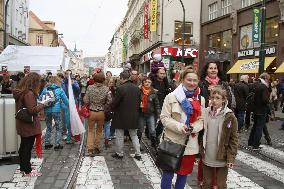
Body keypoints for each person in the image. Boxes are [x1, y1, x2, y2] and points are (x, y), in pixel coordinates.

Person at [160, 70, 205, 189]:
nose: (192, 83)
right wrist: (180, 127)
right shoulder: (171, 96)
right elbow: (164, 118)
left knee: (183, 174)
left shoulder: (201, 99)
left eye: (195, 80)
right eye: (189, 80)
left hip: (189, 144)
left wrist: (193, 128)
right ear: (182, 80)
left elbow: (201, 121)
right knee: (168, 174)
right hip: (172, 141)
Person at [13, 72, 51, 177]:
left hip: (23, 122)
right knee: (27, 147)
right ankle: (27, 170)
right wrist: (43, 104)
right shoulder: (29, 93)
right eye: (38, 82)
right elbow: (32, 110)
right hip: (29, 124)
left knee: (24, 146)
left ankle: (24, 167)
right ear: (34, 82)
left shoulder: (21, 91)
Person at [201, 85, 238, 188]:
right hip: (207, 154)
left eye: (217, 98)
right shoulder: (205, 112)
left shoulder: (229, 116)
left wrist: (231, 158)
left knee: (221, 184)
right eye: (212, 97)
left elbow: (234, 139)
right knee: (206, 183)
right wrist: (198, 153)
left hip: (222, 155)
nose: (214, 100)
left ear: (223, 100)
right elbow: (201, 135)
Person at [111, 71, 142, 160]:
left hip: (121, 115)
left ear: (121, 78)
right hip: (133, 115)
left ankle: (119, 153)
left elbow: (115, 103)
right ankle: (138, 153)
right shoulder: (136, 88)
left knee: (119, 135)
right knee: (134, 135)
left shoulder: (120, 88)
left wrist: (111, 108)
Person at [84, 72, 112, 156]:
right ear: (103, 79)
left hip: (92, 111)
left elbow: (86, 100)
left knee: (91, 130)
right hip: (101, 112)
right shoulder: (106, 89)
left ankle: (90, 149)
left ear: (94, 79)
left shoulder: (89, 87)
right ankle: (97, 146)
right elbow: (109, 101)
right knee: (99, 130)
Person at [39, 76, 69, 150]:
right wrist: (69, 106)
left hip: (47, 110)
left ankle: (47, 143)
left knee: (48, 127)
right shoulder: (60, 89)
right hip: (56, 110)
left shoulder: (45, 89)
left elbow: (40, 99)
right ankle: (57, 144)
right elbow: (66, 101)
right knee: (58, 127)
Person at [248, 73, 271, 150]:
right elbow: (265, 100)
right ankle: (255, 145)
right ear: (265, 78)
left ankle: (250, 142)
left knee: (255, 127)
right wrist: (268, 100)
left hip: (255, 109)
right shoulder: (263, 87)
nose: (268, 81)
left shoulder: (255, 85)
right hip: (261, 110)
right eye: (268, 79)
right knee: (259, 128)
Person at [138, 77, 161, 148]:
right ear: (143, 83)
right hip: (141, 114)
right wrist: (139, 104)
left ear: (151, 83)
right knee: (140, 129)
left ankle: (154, 145)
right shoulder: (139, 91)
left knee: (152, 130)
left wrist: (159, 114)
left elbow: (157, 104)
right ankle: (138, 144)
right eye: (146, 82)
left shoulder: (153, 92)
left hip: (150, 114)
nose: (147, 83)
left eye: (149, 82)